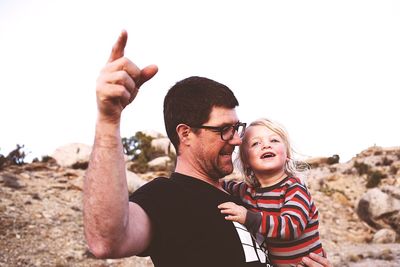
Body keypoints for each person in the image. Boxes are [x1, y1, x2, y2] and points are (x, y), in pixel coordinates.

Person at [83, 30, 332, 267]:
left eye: (237, 128)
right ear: (186, 134)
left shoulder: (244, 197)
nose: (236, 140)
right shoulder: (167, 196)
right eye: (224, 129)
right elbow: (106, 241)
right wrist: (108, 121)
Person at [218, 118, 324, 266]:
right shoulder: (246, 190)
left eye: (274, 140)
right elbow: (218, 185)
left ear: (287, 154)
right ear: (246, 161)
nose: (266, 145)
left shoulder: (294, 188)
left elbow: (291, 226)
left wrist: (248, 217)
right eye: (256, 143)